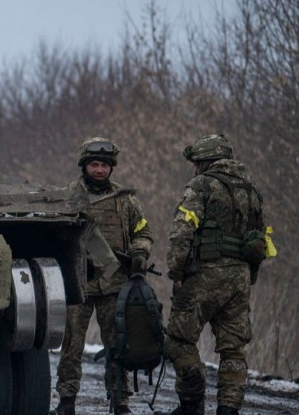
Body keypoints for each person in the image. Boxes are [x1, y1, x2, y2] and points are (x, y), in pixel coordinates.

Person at [157, 135, 272, 415]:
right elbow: (261, 241)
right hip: (239, 279)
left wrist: (176, 270)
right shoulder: (252, 192)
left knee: (179, 340)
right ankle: (229, 409)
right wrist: (249, 277)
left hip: (203, 277)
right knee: (233, 349)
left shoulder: (201, 185)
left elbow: (182, 231)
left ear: (204, 161)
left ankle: (192, 402)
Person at [53, 137, 153, 415]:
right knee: (71, 345)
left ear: (112, 167)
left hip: (114, 283)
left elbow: (143, 232)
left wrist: (139, 253)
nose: (99, 170)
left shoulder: (125, 200)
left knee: (118, 344)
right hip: (78, 283)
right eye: (94, 164)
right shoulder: (68, 197)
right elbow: (53, 234)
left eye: (104, 165)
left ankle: (120, 402)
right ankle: (66, 401)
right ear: (84, 165)